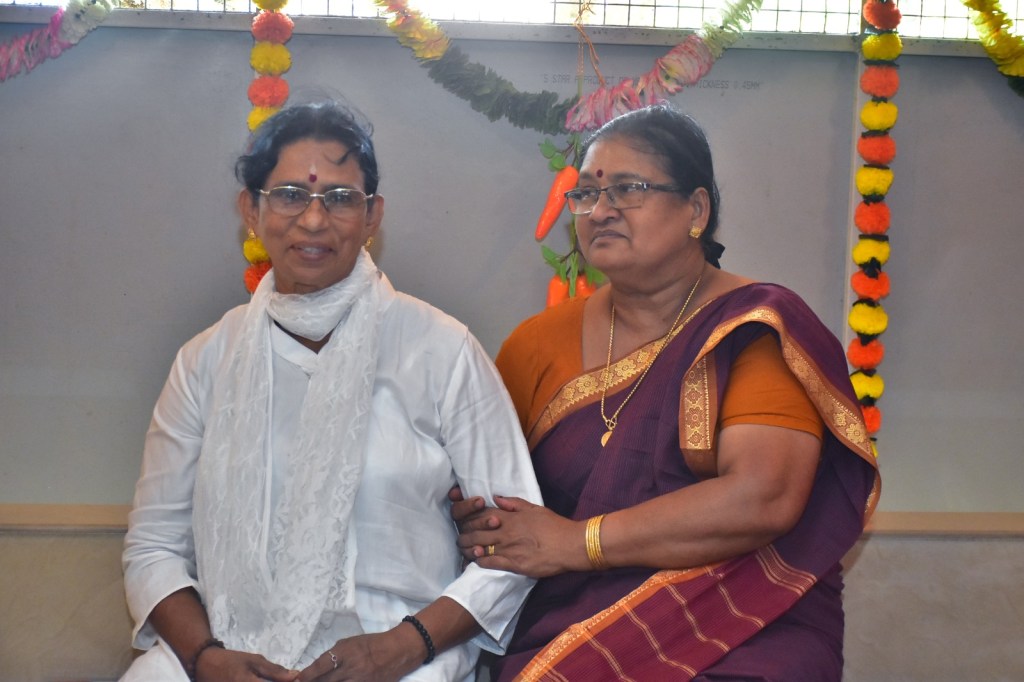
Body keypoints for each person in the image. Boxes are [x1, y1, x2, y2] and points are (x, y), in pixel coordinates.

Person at [454, 104, 880, 681]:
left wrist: (578, 543)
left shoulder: (752, 327)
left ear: (696, 210)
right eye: (586, 194)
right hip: (571, 624)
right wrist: (475, 514)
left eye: (628, 189)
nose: (599, 211)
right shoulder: (536, 343)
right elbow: (492, 492)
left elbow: (763, 496)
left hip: (745, 621)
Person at [120, 100, 542, 682]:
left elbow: (517, 546)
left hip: (401, 652)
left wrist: (403, 646)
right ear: (251, 210)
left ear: (372, 217)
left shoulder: (442, 350)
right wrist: (206, 657)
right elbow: (153, 548)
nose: (314, 220)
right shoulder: (205, 361)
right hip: (226, 650)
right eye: (290, 195)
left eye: (340, 198)